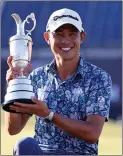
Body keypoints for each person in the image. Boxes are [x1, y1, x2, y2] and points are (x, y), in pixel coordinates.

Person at [5, 8, 112, 155]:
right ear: (47, 37)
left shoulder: (98, 77)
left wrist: (49, 115)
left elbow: (92, 133)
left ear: (82, 37)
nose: (65, 40)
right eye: (58, 34)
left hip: (79, 154)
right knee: (24, 145)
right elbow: (13, 129)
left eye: (72, 34)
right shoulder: (37, 76)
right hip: (43, 151)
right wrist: (13, 87)